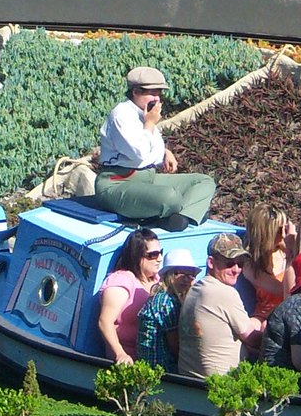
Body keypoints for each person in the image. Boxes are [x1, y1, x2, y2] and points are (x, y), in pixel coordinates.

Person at [93, 66, 217, 226]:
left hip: (147, 179)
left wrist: (165, 152)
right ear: (136, 92)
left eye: (159, 93)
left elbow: (150, 143)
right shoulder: (122, 115)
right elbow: (139, 153)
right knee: (170, 197)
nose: (157, 98)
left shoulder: (144, 113)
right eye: (152, 93)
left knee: (204, 181)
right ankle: (184, 213)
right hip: (118, 183)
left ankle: (180, 218)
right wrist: (150, 122)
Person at [178, 233, 263, 376]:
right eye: (229, 263)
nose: (236, 269)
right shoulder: (224, 292)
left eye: (240, 263)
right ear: (211, 262)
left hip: (188, 379)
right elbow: (253, 339)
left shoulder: (195, 289)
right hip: (220, 385)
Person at [95, 229, 161, 365]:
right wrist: (120, 354)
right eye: (153, 255)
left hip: (154, 358)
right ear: (137, 256)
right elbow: (105, 322)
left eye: (160, 252)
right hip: (126, 361)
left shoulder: (156, 280)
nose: (159, 258)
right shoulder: (122, 281)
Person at [137, 248, 200, 368]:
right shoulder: (166, 302)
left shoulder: (162, 296)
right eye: (179, 273)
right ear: (168, 275)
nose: (186, 279)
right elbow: (176, 347)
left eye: (191, 275)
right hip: (160, 370)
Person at [242, 207, 296, 323]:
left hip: (291, 312)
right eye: (278, 230)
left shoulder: (287, 250)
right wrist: (289, 253)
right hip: (265, 316)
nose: (283, 235)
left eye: (284, 229)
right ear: (264, 233)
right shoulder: (250, 264)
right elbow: (283, 290)